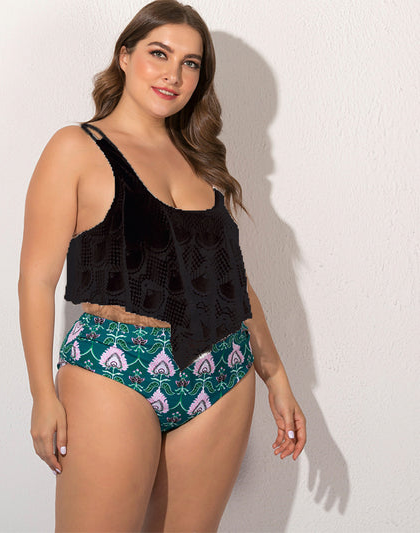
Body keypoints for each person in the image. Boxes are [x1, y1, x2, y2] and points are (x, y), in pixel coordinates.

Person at [18, 0, 307, 531]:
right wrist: (42, 394)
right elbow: (36, 281)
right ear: (125, 56)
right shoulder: (76, 147)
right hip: (115, 369)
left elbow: (231, 281)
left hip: (222, 374)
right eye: (159, 53)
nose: (173, 74)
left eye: (190, 63)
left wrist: (277, 376)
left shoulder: (200, 159)